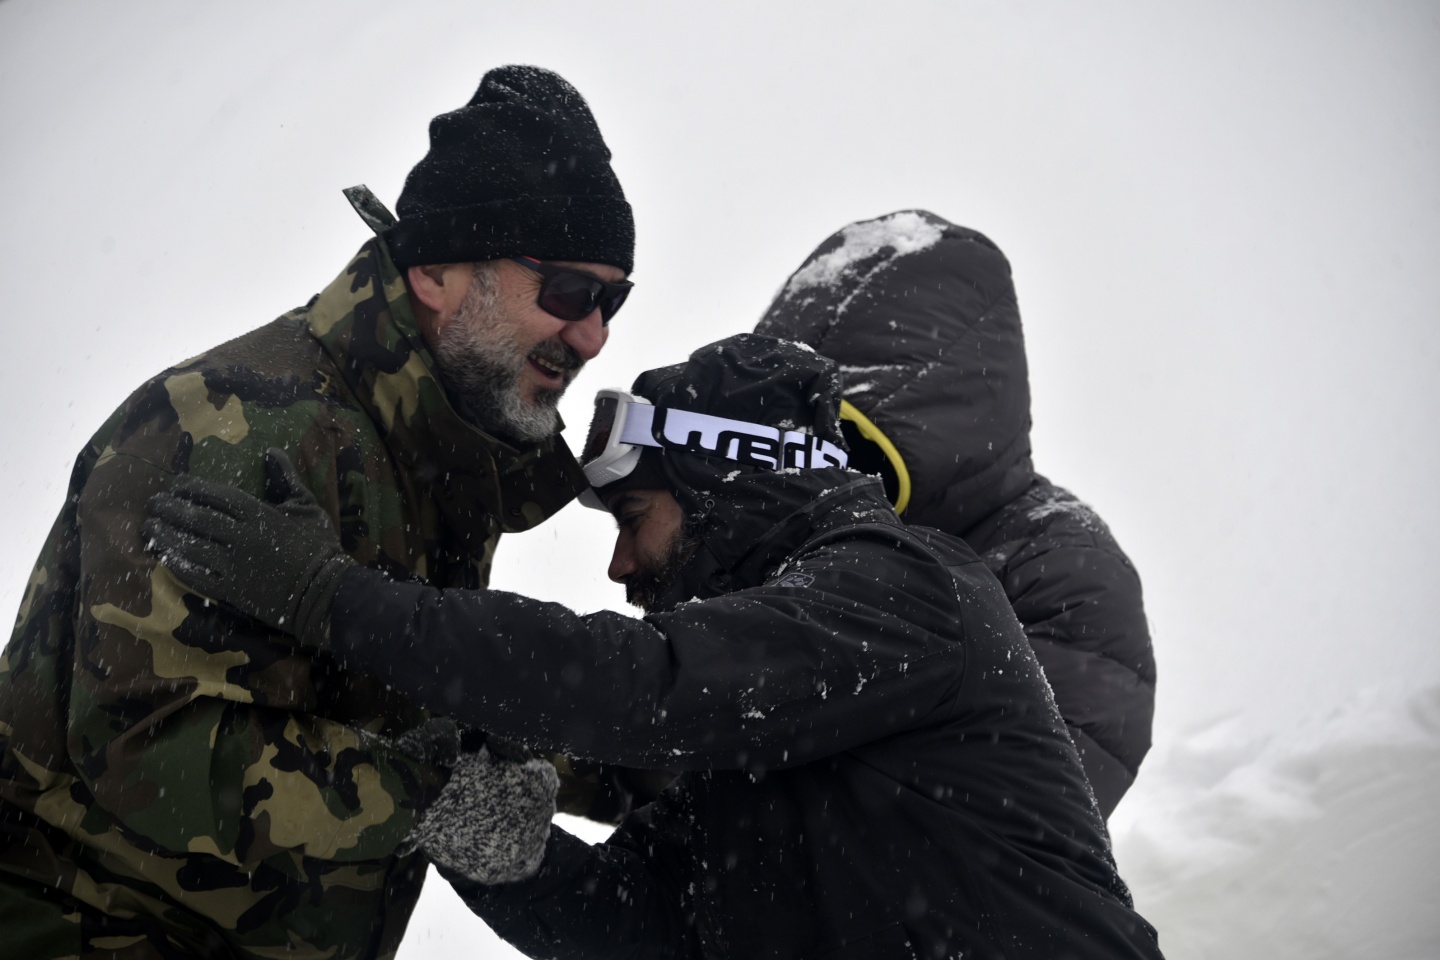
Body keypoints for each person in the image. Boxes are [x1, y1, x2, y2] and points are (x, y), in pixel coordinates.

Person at [146, 334, 1165, 959]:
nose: (621, 565)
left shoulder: (908, 587)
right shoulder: (765, 729)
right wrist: (494, 847)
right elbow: (651, 927)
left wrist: (333, 599)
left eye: (636, 517)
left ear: (730, 477)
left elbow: (641, 685)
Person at [0, 65, 634, 959]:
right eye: (568, 292)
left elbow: (417, 698)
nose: (594, 334)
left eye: (613, 299)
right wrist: (427, 799)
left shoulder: (444, 448)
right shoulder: (231, 429)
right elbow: (144, 741)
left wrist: (648, 756)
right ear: (437, 271)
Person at [755, 211, 1155, 817]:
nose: (818, 461)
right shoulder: (799, 533)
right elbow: (690, 730)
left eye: (844, 436)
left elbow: (1009, 812)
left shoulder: (1059, 569)